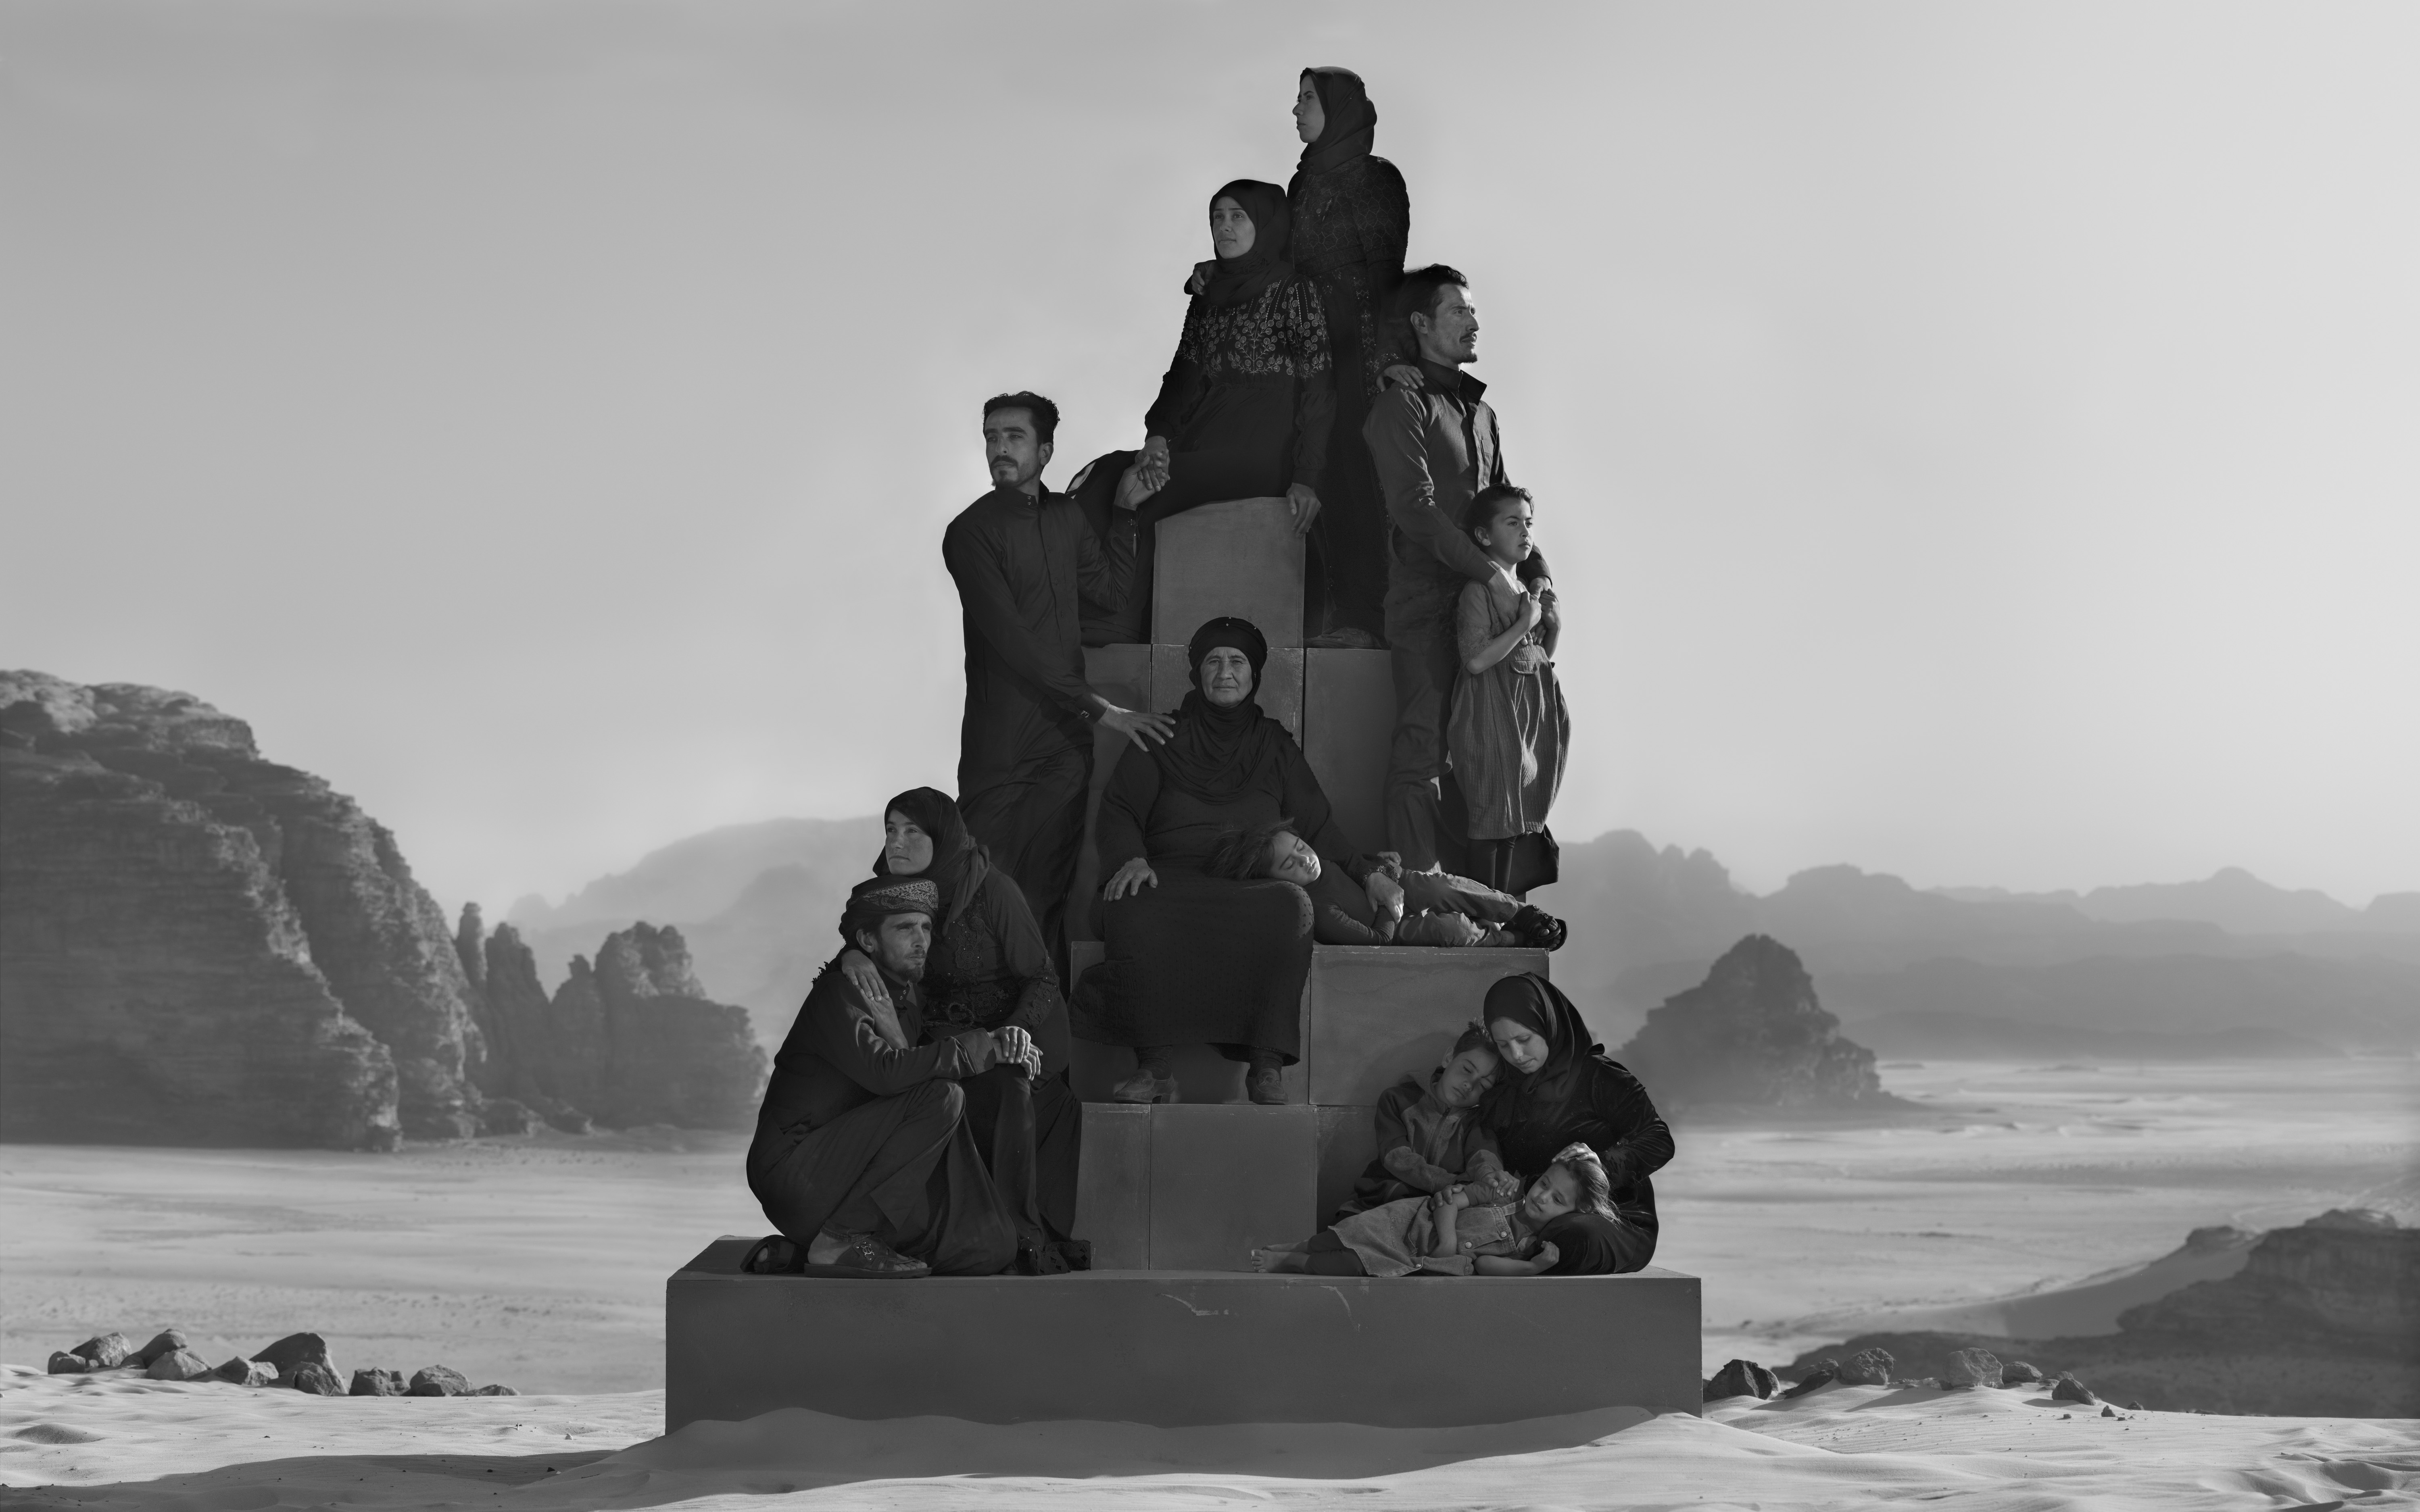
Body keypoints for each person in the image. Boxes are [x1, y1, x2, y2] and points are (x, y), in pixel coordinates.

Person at [1070, 615, 1403, 1105]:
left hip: (1250, 881)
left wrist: (1368, 874)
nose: (1225, 672)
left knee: (1292, 908)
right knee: (1134, 907)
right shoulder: (1162, 734)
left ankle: (1266, 1066)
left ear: (1254, 675)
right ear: (1197, 674)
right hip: (1168, 876)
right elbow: (1118, 811)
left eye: (1238, 661)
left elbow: (1316, 825)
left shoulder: (1275, 745)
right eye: (1213, 661)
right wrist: (1132, 859)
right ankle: (1155, 1067)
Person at [945, 393, 1173, 963]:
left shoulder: (1066, 518)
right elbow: (1018, 646)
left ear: (1045, 449)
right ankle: (965, 1040)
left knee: (1045, 899)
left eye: (1013, 437)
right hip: (1001, 748)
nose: (999, 448)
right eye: (992, 436)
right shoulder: (970, 533)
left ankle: (1041, 1045)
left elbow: (1113, 594)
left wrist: (1124, 512)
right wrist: (1105, 711)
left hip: (1066, 748)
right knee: (975, 895)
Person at [1076, 181, 1333, 645]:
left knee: (1147, 492)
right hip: (1202, 437)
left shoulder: (1296, 293)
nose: (1225, 227)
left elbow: (1320, 389)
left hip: (1263, 448)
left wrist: (1308, 475)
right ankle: (1095, 613)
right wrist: (1156, 438)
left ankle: (1118, 624)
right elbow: (1183, 377)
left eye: (1239, 216)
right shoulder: (1209, 295)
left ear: (1266, 224)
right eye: (1217, 216)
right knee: (1112, 470)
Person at [834, 787, 1084, 1264]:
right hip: (944, 1028)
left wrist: (1016, 1031)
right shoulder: (890, 887)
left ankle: (1015, 1233)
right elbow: (860, 927)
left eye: (912, 832)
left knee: (1007, 1079)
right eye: (890, 831)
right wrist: (851, 951)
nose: (896, 843)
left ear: (943, 837)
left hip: (1020, 1021)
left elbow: (1042, 975)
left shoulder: (993, 889)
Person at [1364, 265, 1557, 874]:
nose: (1474, 322)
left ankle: (1486, 894)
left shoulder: (1483, 415)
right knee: (1425, 747)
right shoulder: (1401, 405)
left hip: (1492, 600)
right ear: (1421, 324)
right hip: (1425, 595)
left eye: (1474, 311)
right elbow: (1413, 510)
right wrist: (1492, 574)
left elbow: (1505, 504)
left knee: (1497, 746)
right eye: (1458, 311)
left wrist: (1540, 579)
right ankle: (1421, 892)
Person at [743, 877, 1023, 1280]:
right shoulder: (841, 990)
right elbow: (887, 1073)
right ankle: (841, 1238)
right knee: (943, 1098)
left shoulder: (908, 999)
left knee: (989, 1248)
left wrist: (1006, 1044)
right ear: (868, 941)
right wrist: (979, 1049)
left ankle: (804, 1250)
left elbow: (931, 1055)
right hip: (795, 1171)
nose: (920, 940)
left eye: (926, 927)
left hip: (852, 1171)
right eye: (905, 928)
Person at [1287, 66, 1416, 648]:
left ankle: (1373, 617)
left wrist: (1389, 355)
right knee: (1319, 476)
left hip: (1361, 345)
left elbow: (1387, 271)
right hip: (1311, 348)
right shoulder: (1301, 183)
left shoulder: (1376, 179)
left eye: (1308, 100)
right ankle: (1341, 613)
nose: (1295, 111)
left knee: (1364, 480)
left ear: (1339, 109)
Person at [1480, 973, 1672, 1275]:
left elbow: (1660, 1139)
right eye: (1504, 1045)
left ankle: (1516, 1257)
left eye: (1524, 1039)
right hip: (1531, 1208)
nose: (1515, 1055)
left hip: (1610, 1217)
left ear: (1549, 1025)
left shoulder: (1599, 1076)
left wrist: (1604, 1166)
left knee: (1572, 1238)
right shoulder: (1504, 1089)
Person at [1251, 1142, 1620, 1277]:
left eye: (1557, 1200)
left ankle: (1293, 1263)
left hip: (1407, 1258)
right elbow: (1451, 1200)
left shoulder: (1529, 1245)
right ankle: (1298, 1247)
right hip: (1407, 1222)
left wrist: (1532, 1268)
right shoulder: (1502, 1196)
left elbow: (1486, 1265)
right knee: (1340, 1237)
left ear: (1572, 1214)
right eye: (1545, 1186)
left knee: (1348, 1265)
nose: (1542, 1198)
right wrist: (1447, 1239)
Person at [1449, 485, 1569, 895]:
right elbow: (1477, 660)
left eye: (1529, 523)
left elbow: (1535, 661)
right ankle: (1488, 916)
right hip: (1490, 716)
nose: (1525, 532)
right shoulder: (1478, 590)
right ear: (1484, 536)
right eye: (1513, 522)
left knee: (1515, 820)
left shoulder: (1524, 593)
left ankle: (1504, 909)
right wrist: (1524, 624)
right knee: (1491, 818)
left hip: (1524, 720)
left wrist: (1552, 629)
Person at [1201, 818, 1566, 950]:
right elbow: (1378, 941)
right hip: (1394, 925)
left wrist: (1381, 866)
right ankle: (1512, 940)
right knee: (1451, 929)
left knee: (1443, 887)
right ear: (1276, 881)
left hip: (1398, 884)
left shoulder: (1323, 860)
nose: (1305, 859)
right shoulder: (1318, 910)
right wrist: (1392, 911)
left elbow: (1354, 864)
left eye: (1300, 847)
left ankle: (1520, 912)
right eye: (1290, 865)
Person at [1331, 1023, 1503, 1219]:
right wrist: (1452, 1182)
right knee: (1337, 1241)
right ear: (1449, 1058)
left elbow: (1484, 1158)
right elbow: (1397, 1158)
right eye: (1466, 1069)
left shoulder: (1479, 1124)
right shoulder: (1397, 1100)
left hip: (1426, 1216)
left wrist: (1488, 1179)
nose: (1469, 1084)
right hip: (1372, 1204)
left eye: (1483, 1084)